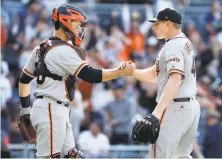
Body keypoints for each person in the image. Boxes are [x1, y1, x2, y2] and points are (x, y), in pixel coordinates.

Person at [18, 4, 135, 158]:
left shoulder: (41, 47)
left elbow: (24, 79)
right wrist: (119, 72)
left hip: (54, 108)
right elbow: (90, 75)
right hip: (51, 109)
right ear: (65, 21)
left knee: (73, 155)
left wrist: (26, 110)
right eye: (77, 24)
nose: (80, 28)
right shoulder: (63, 50)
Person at [120, 8, 200, 158]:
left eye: (157, 23)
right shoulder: (182, 42)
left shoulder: (173, 46)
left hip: (175, 109)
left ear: (168, 23)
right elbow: (155, 75)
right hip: (190, 108)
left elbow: (175, 80)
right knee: (181, 156)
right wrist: (132, 72)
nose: (153, 27)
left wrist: (157, 112)